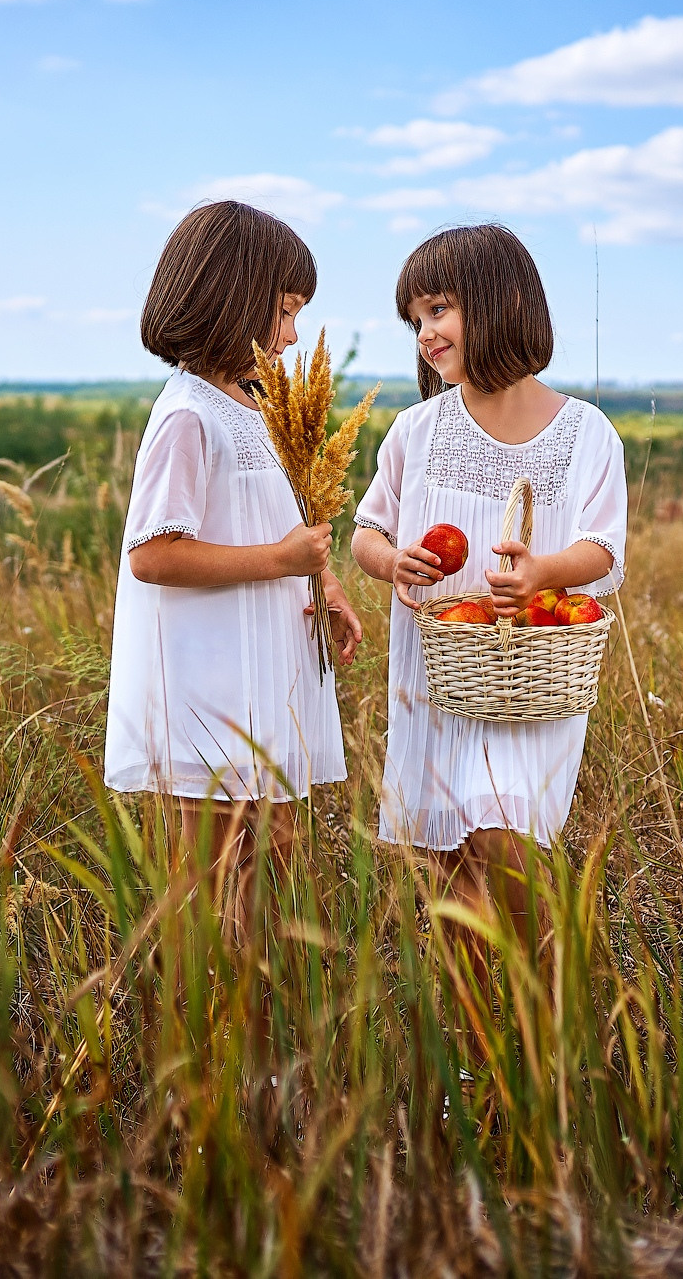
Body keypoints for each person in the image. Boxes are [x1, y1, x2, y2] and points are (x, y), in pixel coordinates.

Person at [349, 223, 626, 976]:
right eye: (414, 320)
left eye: (438, 309)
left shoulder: (585, 434)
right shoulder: (417, 431)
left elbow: (604, 549)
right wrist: (393, 561)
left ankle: (553, 1003)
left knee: (506, 841)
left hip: (530, 679)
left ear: (502, 304)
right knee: (450, 875)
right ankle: (476, 1041)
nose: (425, 333)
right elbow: (366, 531)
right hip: (438, 678)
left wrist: (543, 571)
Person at [105, 200, 362, 935]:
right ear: (232, 300)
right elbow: (154, 554)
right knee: (206, 878)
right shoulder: (187, 415)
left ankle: (259, 1006)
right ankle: (184, 1003)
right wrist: (282, 559)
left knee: (269, 868)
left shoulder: (255, 406)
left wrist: (323, 582)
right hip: (207, 688)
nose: (294, 334)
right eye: (286, 312)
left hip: (263, 681)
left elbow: (278, 523)